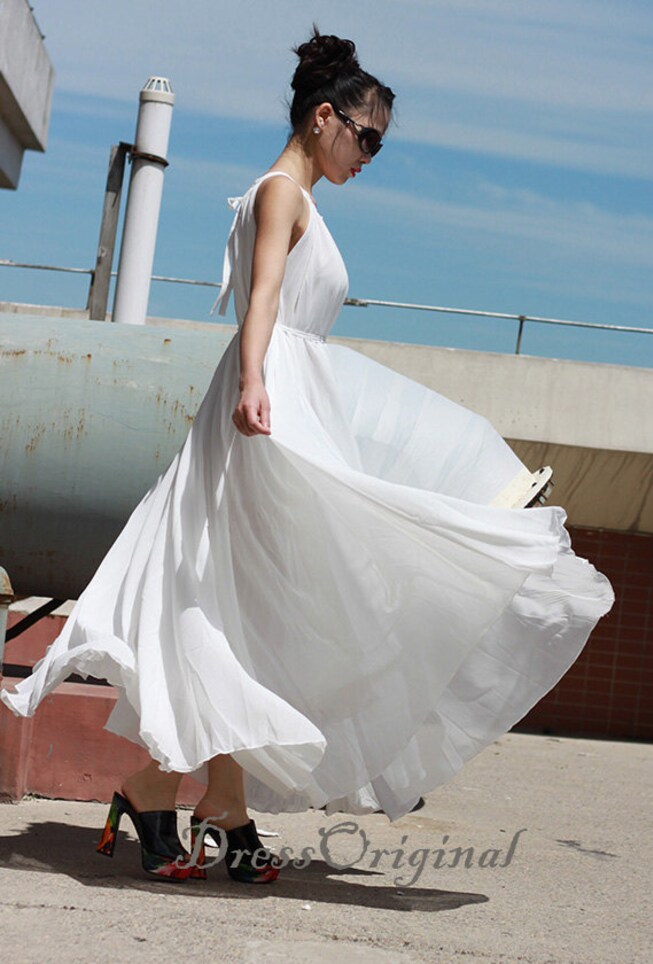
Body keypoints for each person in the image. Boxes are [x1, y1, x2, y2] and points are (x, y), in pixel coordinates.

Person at [0, 27, 614, 885]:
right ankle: (201, 802)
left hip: (292, 399)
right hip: (268, 411)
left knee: (255, 612)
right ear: (324, 116)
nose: (369, 155)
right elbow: (260, 302)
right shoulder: (281, 193)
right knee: (260, 604)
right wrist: (254, 384)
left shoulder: (300, 198)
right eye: (365, 137)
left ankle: (187, 797)